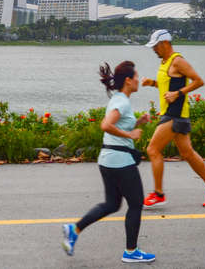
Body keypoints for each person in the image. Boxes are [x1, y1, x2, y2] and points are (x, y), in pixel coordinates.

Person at [62, 61, 156, 263]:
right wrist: (130, 133)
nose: (139, 80)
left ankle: (74, 229)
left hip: (108, 159)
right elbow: (106, 125)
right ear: (129, 80)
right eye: (136, 77)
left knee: (112, 204)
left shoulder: (119, 99)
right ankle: (131, 252)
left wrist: (137, 122)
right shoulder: (121, 101)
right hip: (120, 161)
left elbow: (117, 122)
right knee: (136, 203)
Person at [141, 30, 205, 208]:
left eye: (155, 46)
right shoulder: (165, 62)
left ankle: (158, 194)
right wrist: (153, 83)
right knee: (187, 153)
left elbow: (198, 81)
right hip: (173, 114)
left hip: (175, 114)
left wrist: (178, 93)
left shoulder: (178, 61)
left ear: (164, 43)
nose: (154, 50)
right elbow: (168, 86)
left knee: (153, 150)